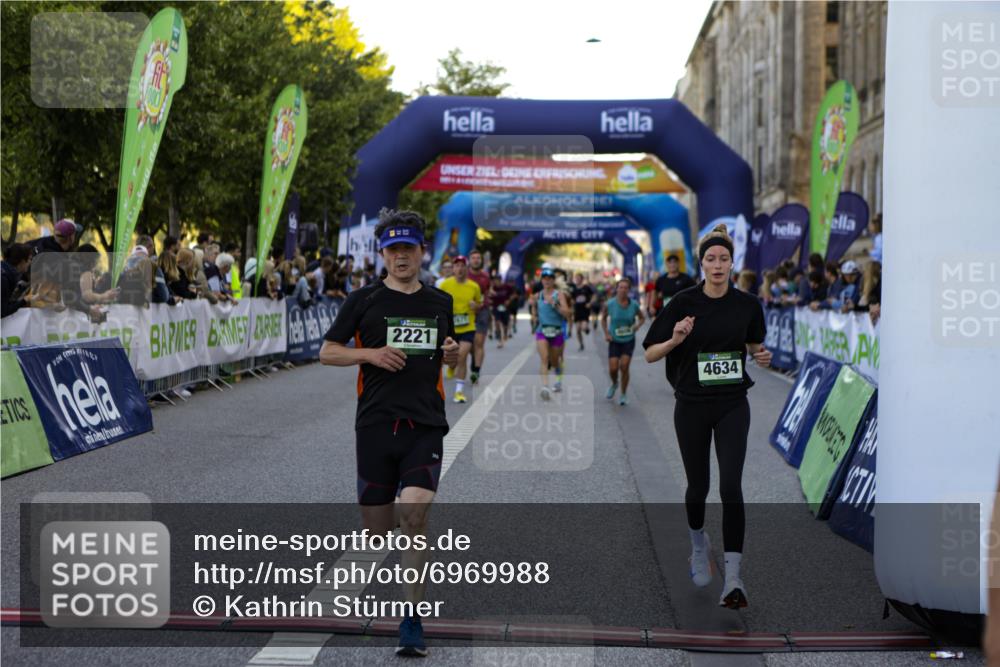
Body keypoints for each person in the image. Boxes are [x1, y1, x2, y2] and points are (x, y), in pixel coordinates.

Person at [319, 209, 458, 658]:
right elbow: (327, 353)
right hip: (376, 424)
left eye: (409, 249)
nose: (401, 256)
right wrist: (371, 355)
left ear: (422, 252)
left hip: (425, 423)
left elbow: (449, 357)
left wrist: (454, 354)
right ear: (383, 254)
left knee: (415, 517)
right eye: (394, 250)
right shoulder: (362, 301)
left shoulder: (440, 302)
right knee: (378, 531)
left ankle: (411, 620)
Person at [642, 223, 771, 610]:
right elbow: (650, 353)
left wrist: (762, 357)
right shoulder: (683, 302)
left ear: (733, 263)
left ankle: (733, 578)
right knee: (698, 488)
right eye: (711, 259)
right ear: (701, 263)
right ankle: (698, 546)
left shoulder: (748, 305)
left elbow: (755, 346)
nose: (717, 265)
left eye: (724, 259)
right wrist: (675, 339)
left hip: (733, 403)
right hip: (692, 404)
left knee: (731, 487)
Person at [437, 255, 481, 403]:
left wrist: (476, 306)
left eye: (463, 266)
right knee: (453, 359)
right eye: (457, 265)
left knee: (462, 356)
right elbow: (436, 304)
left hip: (468, 327)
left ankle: (459, 392)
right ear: (453, 269)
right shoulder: (444, 285)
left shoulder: (474, 286)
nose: (460, 268)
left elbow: (479, 304)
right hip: (450, 328)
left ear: (466, 269)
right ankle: (451, 366)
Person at [531, 266, 572, 401]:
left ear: (553, 281)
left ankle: (558, 375)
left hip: (557, 331)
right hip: (542, 331)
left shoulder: (559, 295)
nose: (547, 281)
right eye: (544, 278)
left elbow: (567, 313)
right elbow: (534, 309)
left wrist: (555, 304)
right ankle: (545, 387)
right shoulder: (538, 295)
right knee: (544, 358)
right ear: (541, 280)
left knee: (555, 361)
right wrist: (534, 315)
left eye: (549, 279)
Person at [602, 277, 645, 406]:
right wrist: (606, 333)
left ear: (629, 290)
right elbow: (603, 319)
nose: (623, 290)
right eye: (620, 287)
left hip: (628, 339)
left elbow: (642, 318)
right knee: (613, 368)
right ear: (617, 289)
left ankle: (623, 394)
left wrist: (637, 326)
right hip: (614, 339)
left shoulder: (634, 305)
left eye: (626, 288)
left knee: (624, 366)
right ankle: (615, 383)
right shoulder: (609, 304)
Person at [467, 249, 491, 385]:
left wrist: (483, 303)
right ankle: (473, 362)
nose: (476, 260)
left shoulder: (485, 276)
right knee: (469, 345)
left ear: (481, 261)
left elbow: (487, 292)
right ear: (469, 261)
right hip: (467, 313)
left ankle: (476, 371)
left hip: (482, 311)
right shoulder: (465, 275)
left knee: (479, 343)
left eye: (478, 258)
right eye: (473, 258)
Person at [1, 243, 34, 317]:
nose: (30, 262)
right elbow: (3, 311)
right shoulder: (3, 279)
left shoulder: (6, 272)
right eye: (29, 259)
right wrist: (25, 300)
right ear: (22, 261)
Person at [489, 274, 516, 348]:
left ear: (501, 280)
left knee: (505, 325)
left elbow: (514, 294)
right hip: (496, 307)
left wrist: (509, 301)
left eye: (498, 280)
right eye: (495, 280)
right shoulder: (493, 288)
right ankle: (500, 340)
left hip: (505, 308)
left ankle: (505, 334)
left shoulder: (507, 287)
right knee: (497, 322)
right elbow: (488, 296)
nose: (497, 282)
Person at [570, 273, 595, 351]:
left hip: (585, 310)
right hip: (577, 310)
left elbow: (594, 295)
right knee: (577, 330)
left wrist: (590, 303)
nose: (577, 280)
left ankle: (586, 329)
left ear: (582, 279)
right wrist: (572, 304)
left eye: (578, 278)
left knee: (583, 327)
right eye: (576, 278)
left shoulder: (586, 288)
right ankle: (581, 344)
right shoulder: (574, 289)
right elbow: (571, 298)